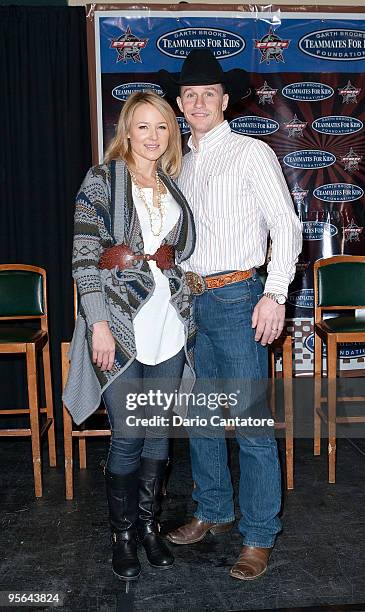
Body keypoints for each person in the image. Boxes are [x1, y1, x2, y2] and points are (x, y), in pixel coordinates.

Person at [158, 49, 302, 580]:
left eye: (208, 94)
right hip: (189, 303)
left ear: (225, 100)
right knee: (199, 418)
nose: (198, 102)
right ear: (180, 103)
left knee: (250, 425)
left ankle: (259, 535)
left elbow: (286, 228)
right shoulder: (180, 163)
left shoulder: (251, 153)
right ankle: (213, 510)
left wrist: (276, 294)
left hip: (240, 298)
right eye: (189, 95)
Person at [63, 91, 196, 584]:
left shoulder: (173, 184)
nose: (153, 136)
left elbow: (180, 257)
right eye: (143, 126)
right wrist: (96, 323)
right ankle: (120, 535)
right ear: (126, 130)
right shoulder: (101, 180)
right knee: (128, 434)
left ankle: (147, 527)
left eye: (161, 126)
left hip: (168, 325)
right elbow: (83, 257)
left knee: (158, 433)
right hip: (117, 325)